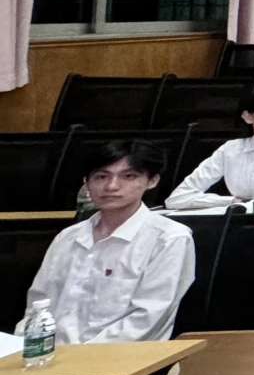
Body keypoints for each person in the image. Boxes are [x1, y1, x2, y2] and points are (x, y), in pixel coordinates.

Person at [17, 140, 195, 349]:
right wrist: (25, 349)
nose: (111, 186)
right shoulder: (67, 237)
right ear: (86, 182)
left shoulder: (169, 239)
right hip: (50, 356)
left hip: (123, 359)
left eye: (129, 176)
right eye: (101, 176)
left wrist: (78, 357)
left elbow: (148, 319)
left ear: (152, 181)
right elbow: (37, 307)